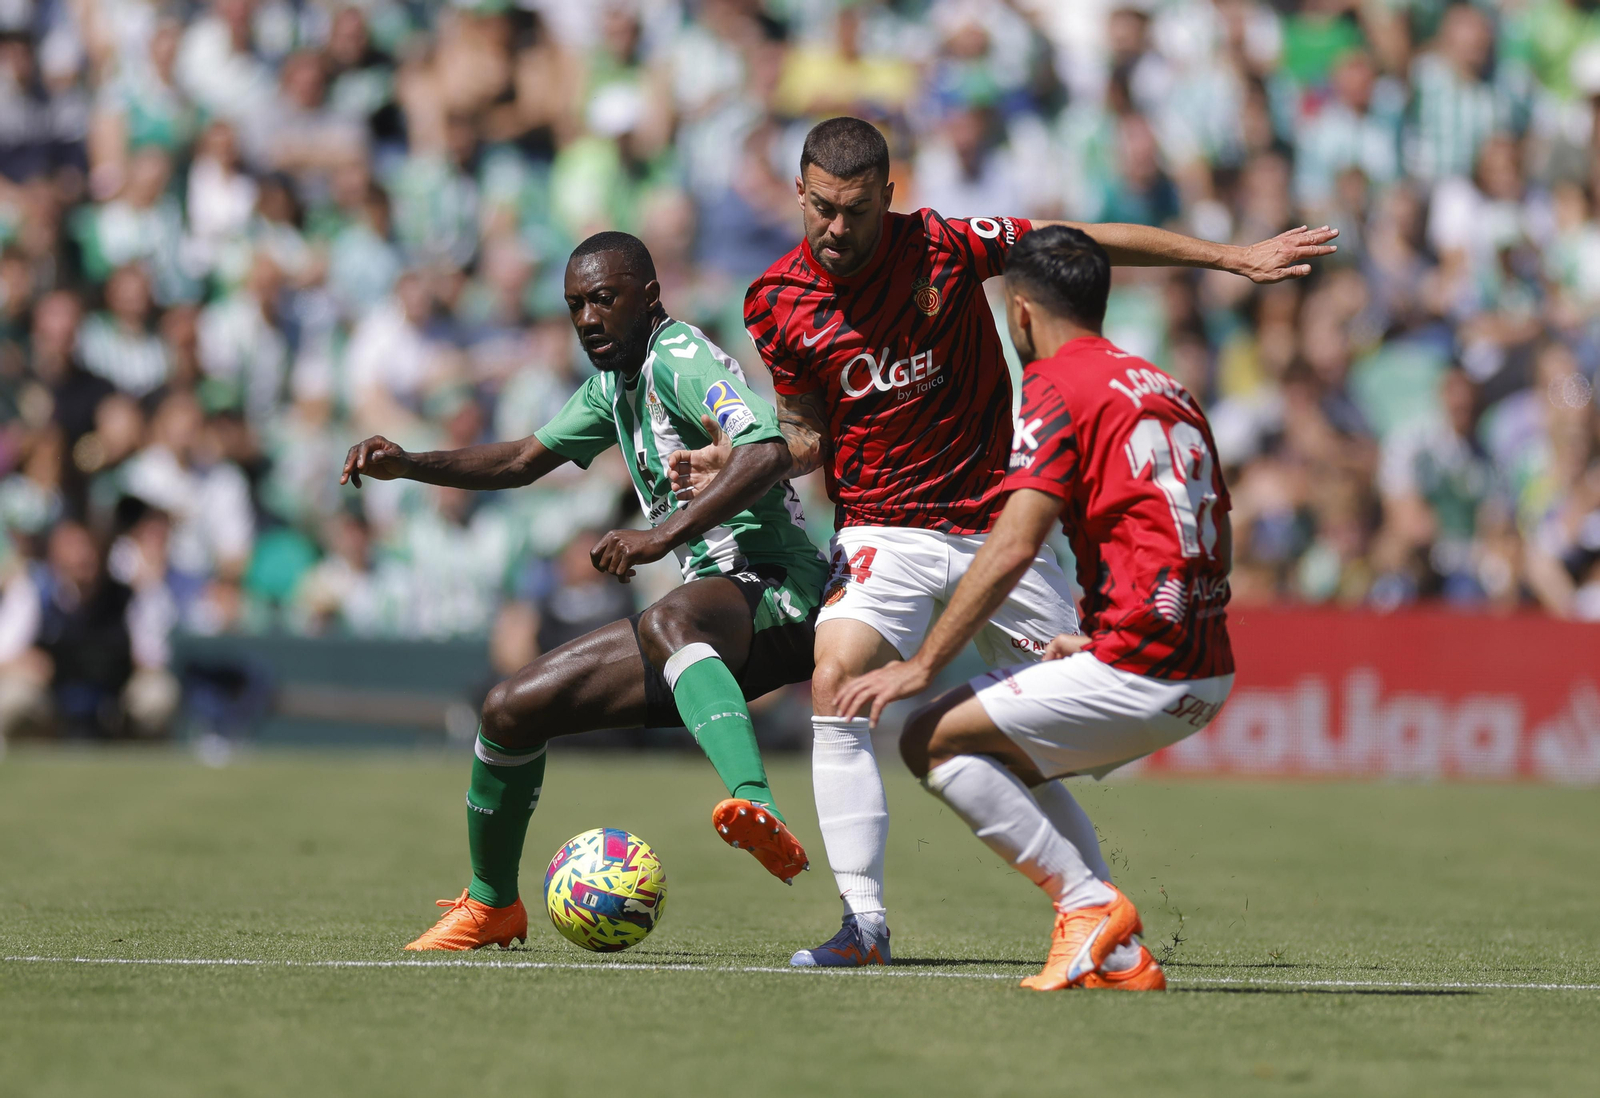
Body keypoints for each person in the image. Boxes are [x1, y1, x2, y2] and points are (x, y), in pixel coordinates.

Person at [673, 116, 1331, 967]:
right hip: (883, 524)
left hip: (998, 519)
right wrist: (738, 462)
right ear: (799, 193)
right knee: (835, 681)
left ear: (889, 199)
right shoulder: (774, 303)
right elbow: (805, 433)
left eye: (858, 211)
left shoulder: (946, 245)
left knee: (1016, 737)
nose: (839, 229)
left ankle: (1102, 926)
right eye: (825, 209)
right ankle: (864, 925)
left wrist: (1229, 256)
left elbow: (1079, 245)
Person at [340, 231, 826, 951]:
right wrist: (411, 463)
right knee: (510, 710)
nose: (589, 318)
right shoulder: (613, 386)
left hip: (784, 591)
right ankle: (491, 905)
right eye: (575, 306)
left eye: (604, 298)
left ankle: (756, 805)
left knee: (671, 620)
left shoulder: (679, 357)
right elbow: (521, 460)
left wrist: (657, 539)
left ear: (649, 297)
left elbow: (765, 448)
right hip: (710, 621)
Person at [834, 226, 1236, 992]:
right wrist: (1098, 640)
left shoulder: (1057, 387)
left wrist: (920, 665)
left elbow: (1014, 543)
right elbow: (1197, 531)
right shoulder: (1166, 388)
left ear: (1019, 314)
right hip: (1204, 667)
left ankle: (1088, 907)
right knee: (1001, 748)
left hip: (1145, 670)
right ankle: (1115, 957)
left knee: (930, 740)